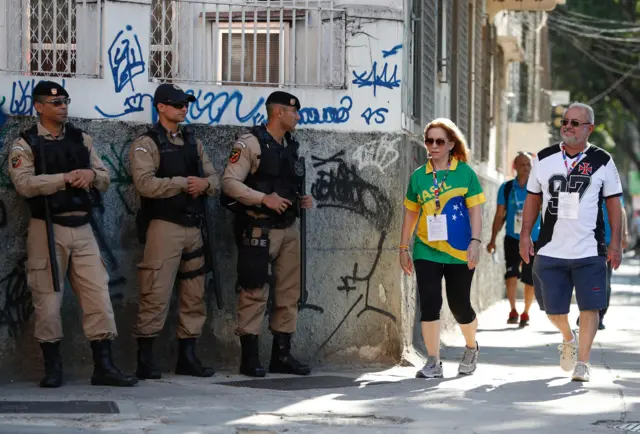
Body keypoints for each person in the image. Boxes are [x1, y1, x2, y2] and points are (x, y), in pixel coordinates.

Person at [8, 81, 138, 388]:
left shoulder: (82, 139)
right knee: (48, 300)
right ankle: (52, 368)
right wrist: (65, 179)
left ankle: (104, 366)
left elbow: (105, 177)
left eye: (65, 101)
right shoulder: (25, 144)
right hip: (47, 228)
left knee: (98, 297)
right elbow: (24, 184)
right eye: (55, 103)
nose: (62, 106)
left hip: (82, 227)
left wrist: (90, 175)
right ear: (38, 107)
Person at [520, 102, 622, 382]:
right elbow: (532, 198)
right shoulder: (544, 157)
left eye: (575, 123)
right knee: (553, 310)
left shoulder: (602, 160)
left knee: (590, 307)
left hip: (590, 250)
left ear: (589, 128)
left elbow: (614, 204)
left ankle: (583, 363)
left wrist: (616, 244)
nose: (567, 126)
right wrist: (525, 235)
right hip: (550, 250)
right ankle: (568, 336)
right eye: (565, 121)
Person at [129, 83, 220, 379]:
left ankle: (187, 356)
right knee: (155, 291)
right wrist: (183, 183)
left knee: (194, 295)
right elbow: (144, 184)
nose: (184, 108)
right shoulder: (147, 143)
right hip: (164, 226)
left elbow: (214, 179)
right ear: (161, 108)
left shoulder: (194, 142)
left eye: (186, 104)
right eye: (178, 104)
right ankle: (145, 358)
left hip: (194, 227)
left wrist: (205, 184)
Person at [220, 91, 313, 378]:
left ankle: (281, 356)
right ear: (278, 113)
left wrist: (301, 200)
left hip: (288, 229)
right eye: (293, 112)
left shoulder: (291, 146)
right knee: (253, 290)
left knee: (288, 293)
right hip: (259, 228)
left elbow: (287, 184)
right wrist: (264, 199)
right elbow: (229, 184)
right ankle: (249, 358)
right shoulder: (250, 144)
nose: (297, 117)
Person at [400, 118, 486, 378]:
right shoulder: (419, 177)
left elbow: (475, 212)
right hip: (426, 248)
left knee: (459, 304)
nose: (433, 146)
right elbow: (410, 214)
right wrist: (404, 247)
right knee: (429, 303)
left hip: (459, 249)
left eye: (439, 141)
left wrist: (476, 242)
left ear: (451, 144)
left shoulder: (465, 173)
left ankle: (471, 347)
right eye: (429, 141)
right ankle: (433, 361)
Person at [487, 152, 541, 327]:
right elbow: (499, 214)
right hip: (512, 238)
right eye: (522, 164)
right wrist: (493, 239)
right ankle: (512, 309)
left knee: (529, 278)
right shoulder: (507, 188)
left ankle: (526, 312)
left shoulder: (538, 188)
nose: (526, 168)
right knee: (511, 274)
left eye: (528, 165)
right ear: (515, 167)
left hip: (533, 238)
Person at [576, 197, 629, 330]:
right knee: (586, 279)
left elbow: (621, 210)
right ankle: (587, 311)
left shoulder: (610, 183)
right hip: (587, 240)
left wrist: (623, 235)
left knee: (604, 280)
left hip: (608, 242)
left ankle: (599, 314)